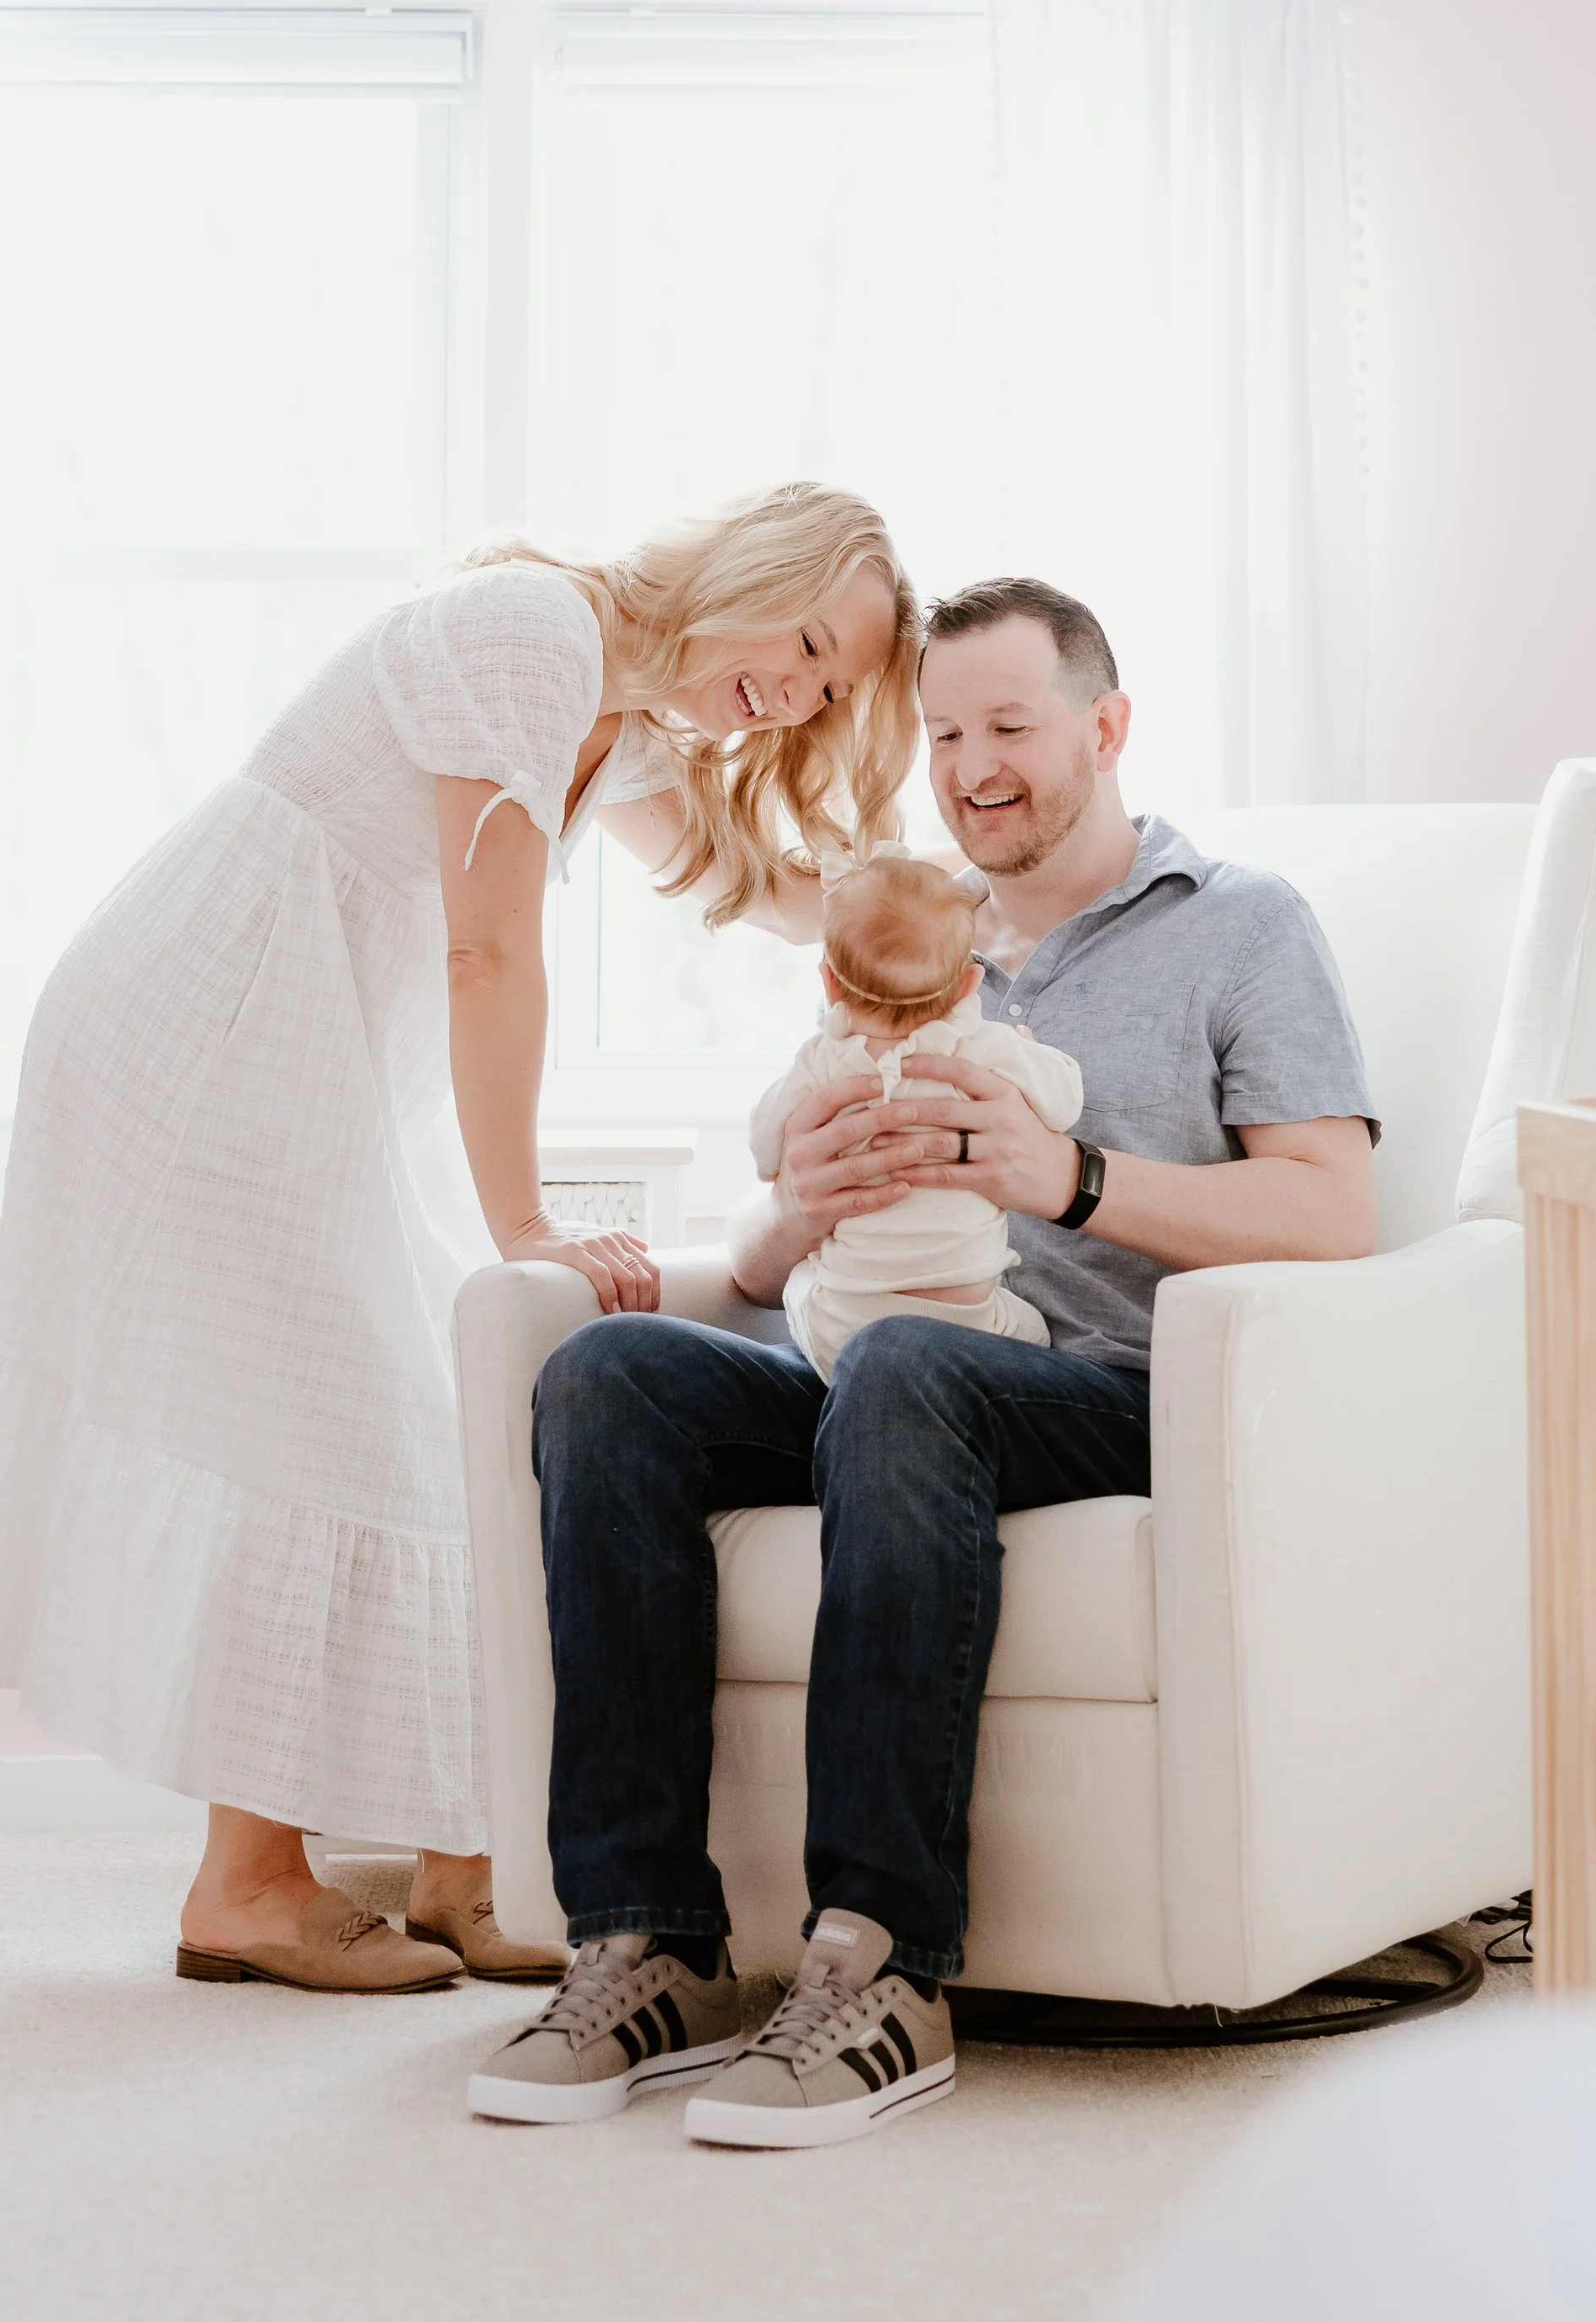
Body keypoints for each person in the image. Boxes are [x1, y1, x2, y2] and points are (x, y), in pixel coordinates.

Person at [0, 484, 918, 1997]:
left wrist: (957, 911)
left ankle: (466, 1863)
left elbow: (769, 895)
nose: (796, 697)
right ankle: (247, 1887)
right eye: (802, 646)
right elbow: (487, 950)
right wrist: (523, 1224)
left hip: (299, 1062)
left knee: (426, 1426)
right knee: (318, 1419)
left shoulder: (627, 723)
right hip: (205, 1026)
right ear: (750, 573)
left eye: (830, 689)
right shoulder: (534, 635)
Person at [469, 574, 1377, 2140]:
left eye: (1009, 726)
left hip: (1109, 1389)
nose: (972, 769)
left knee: (903, 1366)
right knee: (608, 1376)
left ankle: (880, 1963)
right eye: (945, 734)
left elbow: (1331, 1213)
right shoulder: (900, 928)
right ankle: (648, 1943)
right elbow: (769, 1256)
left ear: (1107, 725)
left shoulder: (1242, 925)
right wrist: (791, 1213)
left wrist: (1071, 1180)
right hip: (878, 1379)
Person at [748, 851, 1081, 1379]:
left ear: (829, 982)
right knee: (1037, 1334)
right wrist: (1029, 1052)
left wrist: (782, 1159)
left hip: (843, 1330)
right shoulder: (983, 1051)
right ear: (970, 984)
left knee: (804, 1284)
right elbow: (1065, 1103)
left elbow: (766, 1147)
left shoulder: (821, 1063)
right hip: (972, 1324)